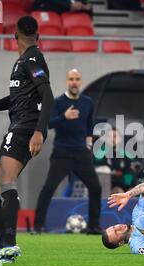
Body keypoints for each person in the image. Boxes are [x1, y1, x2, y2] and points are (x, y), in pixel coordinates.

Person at [0, 16, 54, 262]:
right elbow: (14, 100)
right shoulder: (23, 62)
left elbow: (48, 95)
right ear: (38, 35)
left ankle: (10, 246)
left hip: (27, 127)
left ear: (14, 34)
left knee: (5, 180)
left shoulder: (34, 58)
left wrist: (38, 130)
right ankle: (3, 243)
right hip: (19, 125)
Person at [33, 69, 102, 234]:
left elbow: (89, 125)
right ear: (66, 82)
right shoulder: (57, 102)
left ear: (81, 81)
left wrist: (89, 142)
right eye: (71, 79)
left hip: (81, 153)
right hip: (62, 153)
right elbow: (49, 124)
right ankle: (38, 226)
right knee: (48, 188)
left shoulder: (87, 102)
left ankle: (93, 226)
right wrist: (64, 116)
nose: (74, 82)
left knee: (96, 187)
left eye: (77, 79)